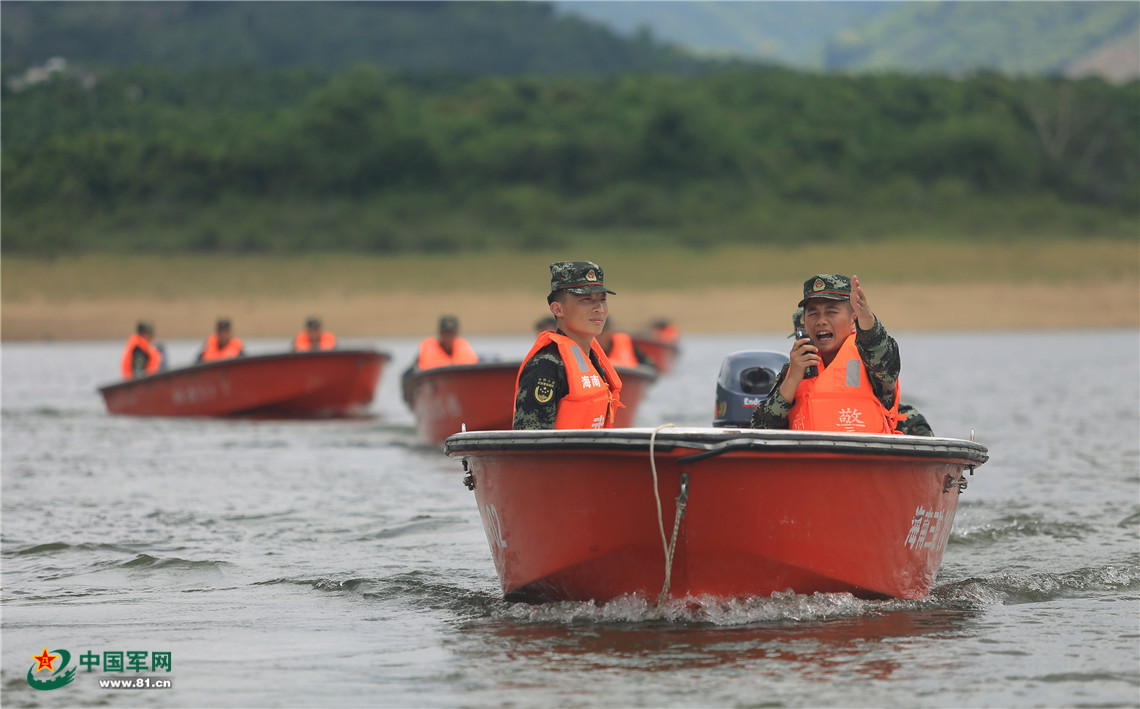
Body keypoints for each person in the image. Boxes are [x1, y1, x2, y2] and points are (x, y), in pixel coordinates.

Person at [751, 274, 903, 434]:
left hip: (862, 454)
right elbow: (760, 428)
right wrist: (792, 378)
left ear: (853, 319)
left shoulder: (870, 362)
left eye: (831, 312)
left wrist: (867, 319)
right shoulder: (796, 367)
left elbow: (884, 358)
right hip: (808, 456)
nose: (821, 321)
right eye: (813, 314)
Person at [786, 306, 933, 436]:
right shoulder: (791, 373)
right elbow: (766, 424)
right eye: (800, 337)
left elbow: (882, 361)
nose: (808, 342)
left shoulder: (863, 359)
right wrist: (791, 380)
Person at [513, 261, 623, 430]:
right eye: (586, 300)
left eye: (602, 300)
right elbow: (529, 445)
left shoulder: (593, 361)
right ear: (557, 309)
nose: (599, 309)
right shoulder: (546, 365)